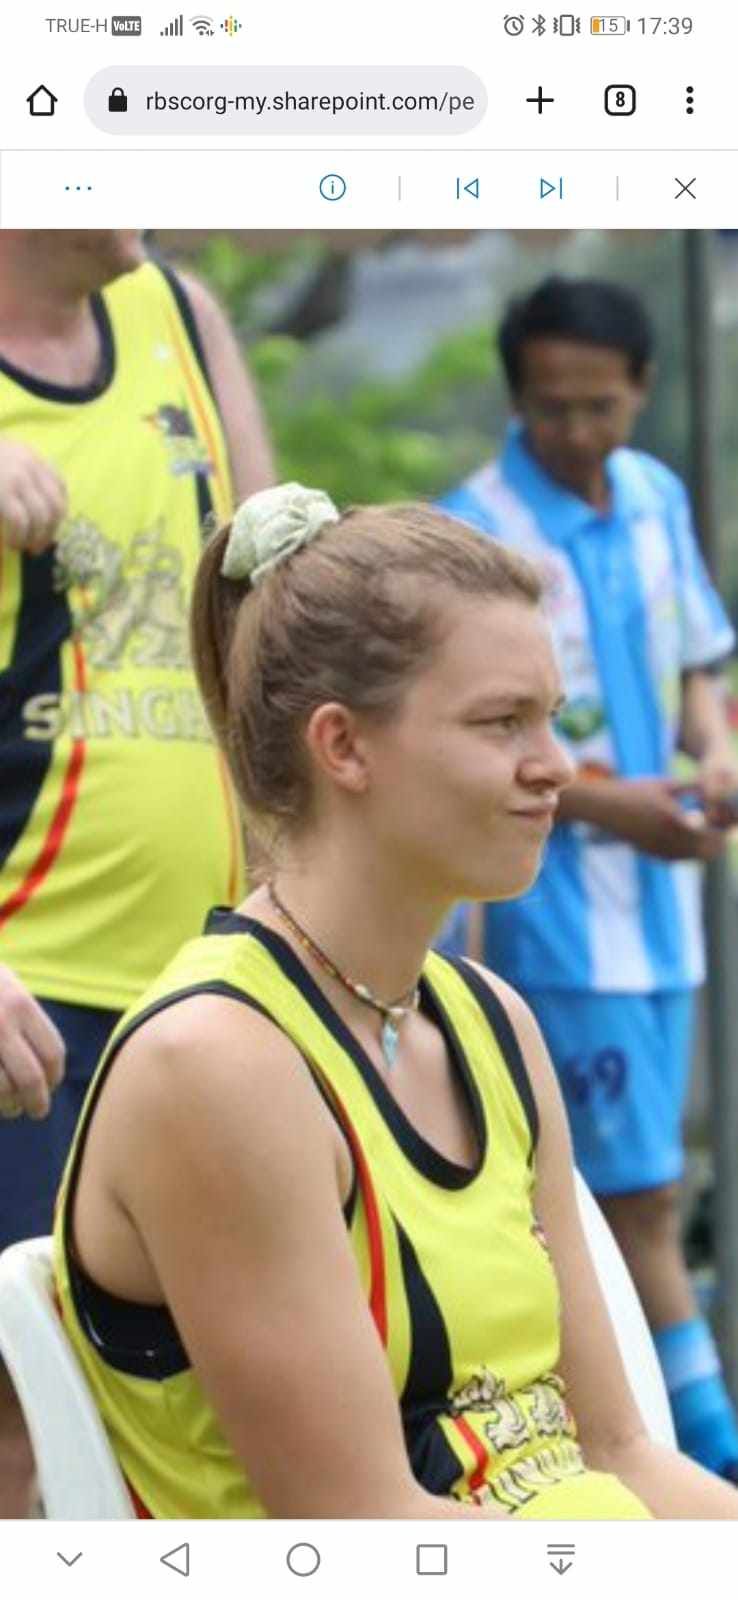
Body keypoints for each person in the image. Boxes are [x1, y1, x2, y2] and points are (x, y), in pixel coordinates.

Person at [52, 483, 738, 1519]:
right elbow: (370, 1538)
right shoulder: (220, 1064)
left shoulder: (487, 1017)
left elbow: (620, 1451)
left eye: (551, 717)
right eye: (502, 720)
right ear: (343, 747)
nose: (555, 766)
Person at [438, 274, 738, 1480]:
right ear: (518, 399)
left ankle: (646, 1443)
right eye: (554, 408)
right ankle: (700, 1451)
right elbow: (470, 740)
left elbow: (702, 658)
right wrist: (618, 806)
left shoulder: (658, 495)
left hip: (666, 911)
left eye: (601, 407)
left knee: (643, 1184)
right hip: (554, 915)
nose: (578, 431)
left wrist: (713, 750)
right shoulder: (477, 527)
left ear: (643, 394)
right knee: (635, 1198)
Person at [0, 229, 275, 1515]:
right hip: (26, 997)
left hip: (201, 986)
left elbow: (271, 615)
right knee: (21, 1419)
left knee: (202, 1410)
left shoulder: (179, 312)